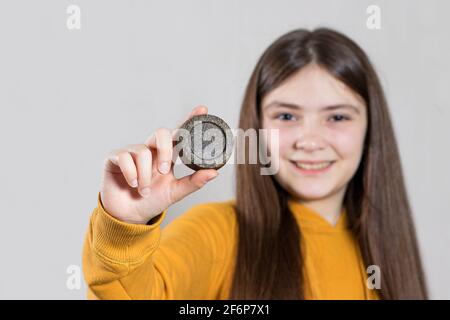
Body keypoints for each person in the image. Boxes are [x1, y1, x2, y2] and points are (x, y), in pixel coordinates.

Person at [82, 27, 428, 299]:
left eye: (337, 117)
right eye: (287, 115)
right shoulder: (220, 234)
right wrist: (123, 228)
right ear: (257, 126)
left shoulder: (387, 253)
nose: (309, 140)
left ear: (371, 128)